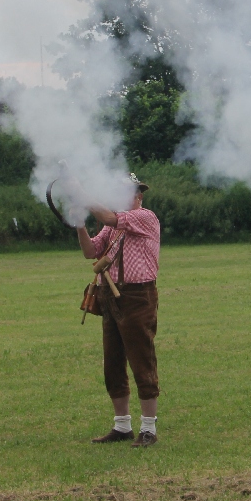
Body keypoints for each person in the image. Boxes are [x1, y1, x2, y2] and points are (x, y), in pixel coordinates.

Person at [73, 174, 162, 447]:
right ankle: (122, 426)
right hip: (110, 297)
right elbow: (90, 251)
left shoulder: (145, 217)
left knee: (141, 361)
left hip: (137, 297)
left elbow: (108, 217)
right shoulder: (113, 225)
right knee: (112, 363)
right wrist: (79, 223)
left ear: (139, 197)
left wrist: (80, 193)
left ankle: (148, 429)